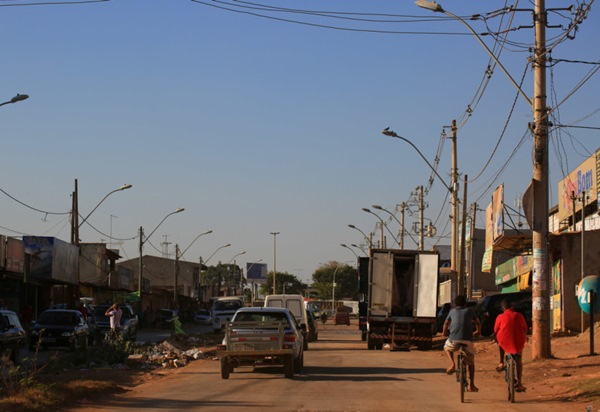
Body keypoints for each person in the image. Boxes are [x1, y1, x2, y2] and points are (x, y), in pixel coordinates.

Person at [442, 294, 482, 393]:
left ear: (455, 304)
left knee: (447, 347)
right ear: (465, 303)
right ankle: (472, 385)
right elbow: (478, 322)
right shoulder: (470, 311)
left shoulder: (452, 311)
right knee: (471, 362)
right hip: (467, 340)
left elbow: (446, 323)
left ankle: (452, 364)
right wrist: (478, 332)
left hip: (453, 339)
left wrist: (444, 332)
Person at [494, 298, 528, 392]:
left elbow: (496, 330)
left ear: (503, 308)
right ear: (512, 306)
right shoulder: (518, 315)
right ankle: (520, 383)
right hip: (518, 341)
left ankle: (501, 362)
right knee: (519, 360)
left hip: (504, 341)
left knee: (500, 340)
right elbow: (525, 327)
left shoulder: (500, 316)